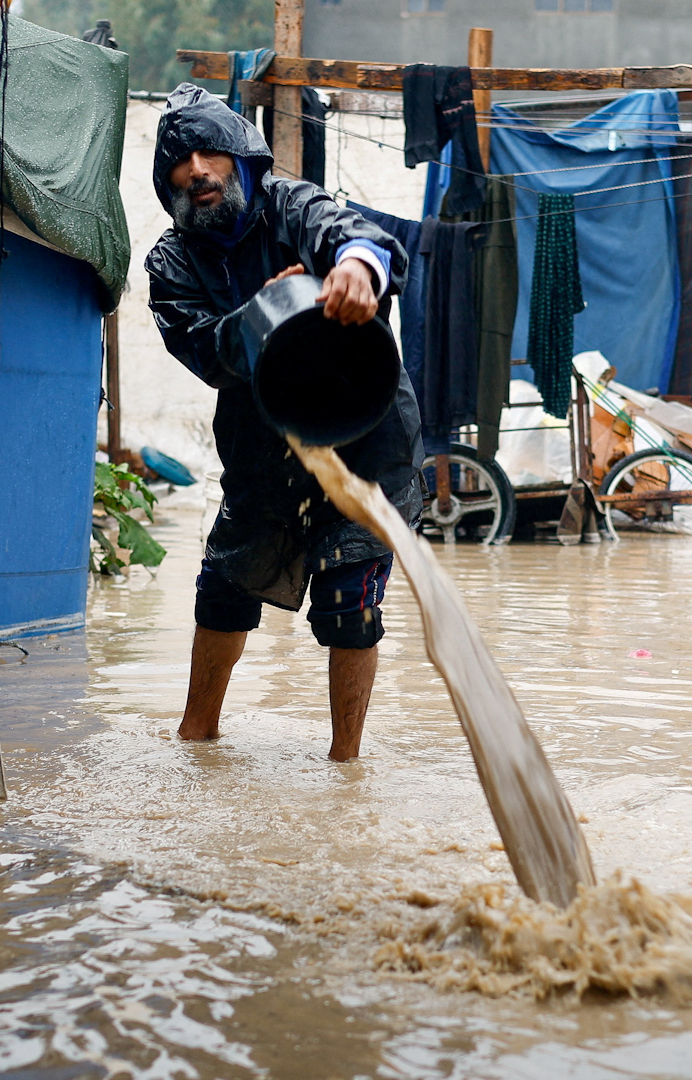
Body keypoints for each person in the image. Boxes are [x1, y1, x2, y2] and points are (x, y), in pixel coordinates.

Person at [145, 84, 422, 762]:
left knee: (349, 604)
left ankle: (346, 767)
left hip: (363, 432)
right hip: (261, 442)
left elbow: (356, 235)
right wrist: (265, 310)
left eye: (212, 152)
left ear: (242, 159)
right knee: (223, 589)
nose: (199, 170)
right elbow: (206, 351)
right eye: (181, 163)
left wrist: (357, 267)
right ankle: (196, 738)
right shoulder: (171, 262)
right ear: (169, 184)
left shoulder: (292, 205)